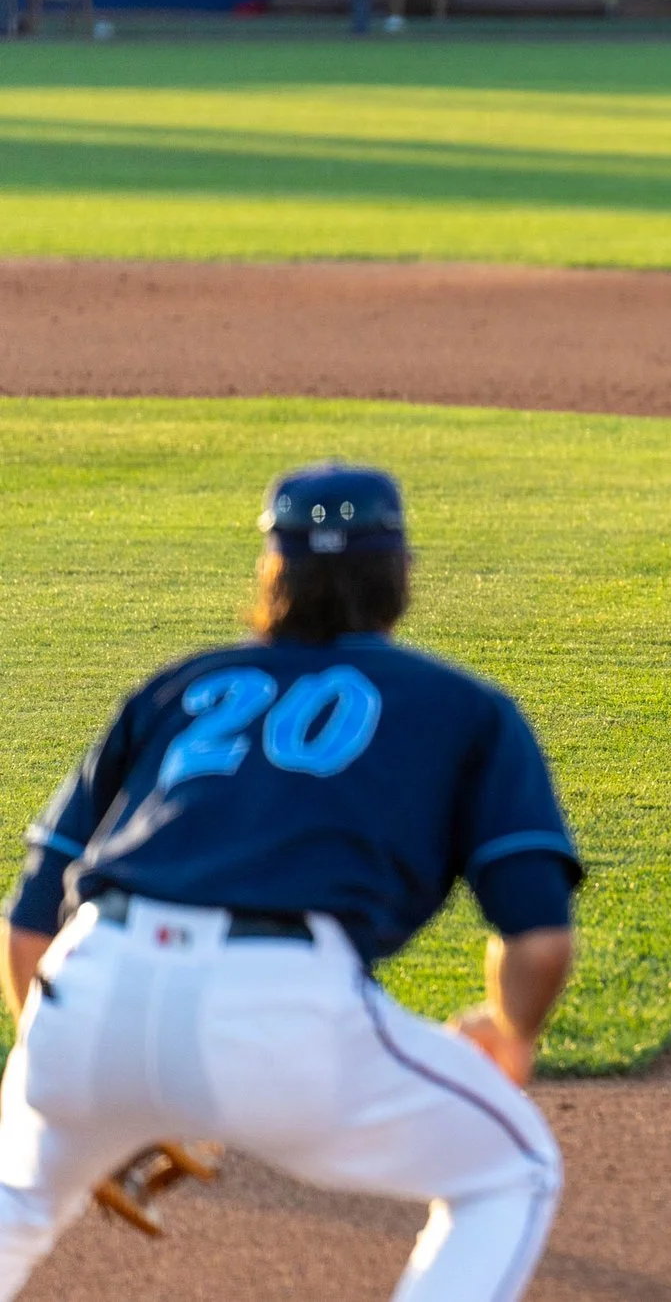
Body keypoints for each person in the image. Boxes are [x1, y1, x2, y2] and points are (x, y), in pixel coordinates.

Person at [0, 464, 580, 1300]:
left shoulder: (179, 687)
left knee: (19, 1194)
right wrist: (511, 1027)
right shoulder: (464, 707)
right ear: (400, 573)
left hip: (89, 986)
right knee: (512, 1168)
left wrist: (92, 1080)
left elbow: (28, 923)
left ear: (273, 571)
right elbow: (538, 938)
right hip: (278, 1008)